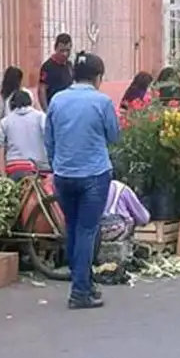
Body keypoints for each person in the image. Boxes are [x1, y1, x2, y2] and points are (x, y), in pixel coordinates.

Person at [44, 51, 120, 310]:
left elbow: (49, 139)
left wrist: (57, 164)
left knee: (74, 229)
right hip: (94, 174)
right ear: (98, 77)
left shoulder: (57, 100)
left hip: (64, 175)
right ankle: (79, 291)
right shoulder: (102, 102)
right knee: (87, 230)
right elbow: (114, 135)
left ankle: (84, 283)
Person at [0, 90, 47, 180]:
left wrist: (3, 176)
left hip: (13, 168)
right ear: (30, 102)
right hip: (37, 168)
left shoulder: (6, 121)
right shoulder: (40, 117)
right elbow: (50, 137)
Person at [39, 33, 73, 111]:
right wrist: (46, 111)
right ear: (55, 48)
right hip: (54, 108)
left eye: (67, 50)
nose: (65, 54)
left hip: (68, 107)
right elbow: (42, 90)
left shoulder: (70, 65)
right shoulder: (47, 67)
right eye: (62, 51)